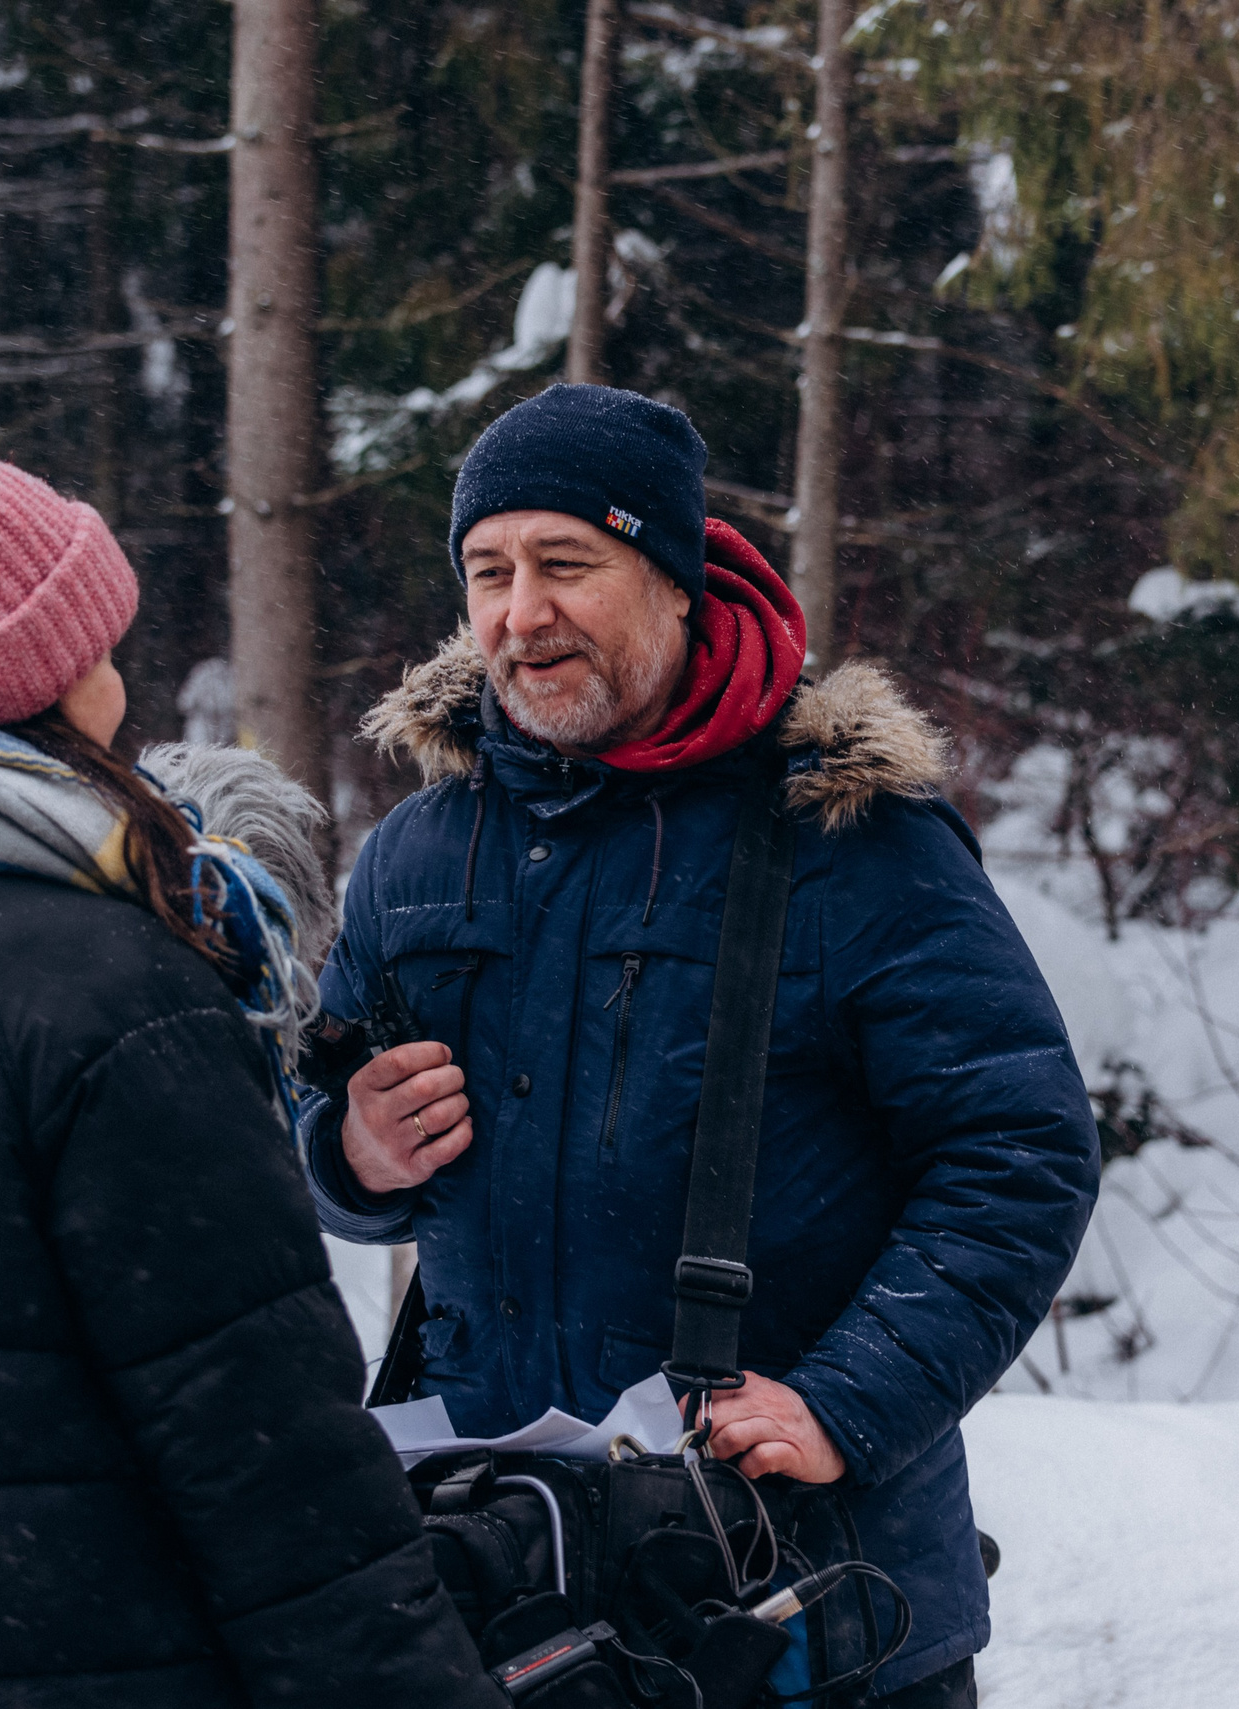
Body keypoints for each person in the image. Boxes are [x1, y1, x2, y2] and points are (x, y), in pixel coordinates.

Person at [0, 427, 502, 1709]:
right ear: (39, 684)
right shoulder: (110, 985)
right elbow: (267, 1446)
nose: (118, 677)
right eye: (94, 645)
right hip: (65, 1657)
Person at [301, 385, 1102, 1706]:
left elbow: (1017, 1150)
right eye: (489, 572)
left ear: (675, 581)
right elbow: (318, 1107)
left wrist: (848, 1404)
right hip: (515, 1585)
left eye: (567, 564)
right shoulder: (417, 851)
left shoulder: (853, 839)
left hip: (808, 1604)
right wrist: (351, 1146)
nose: (520, 611)